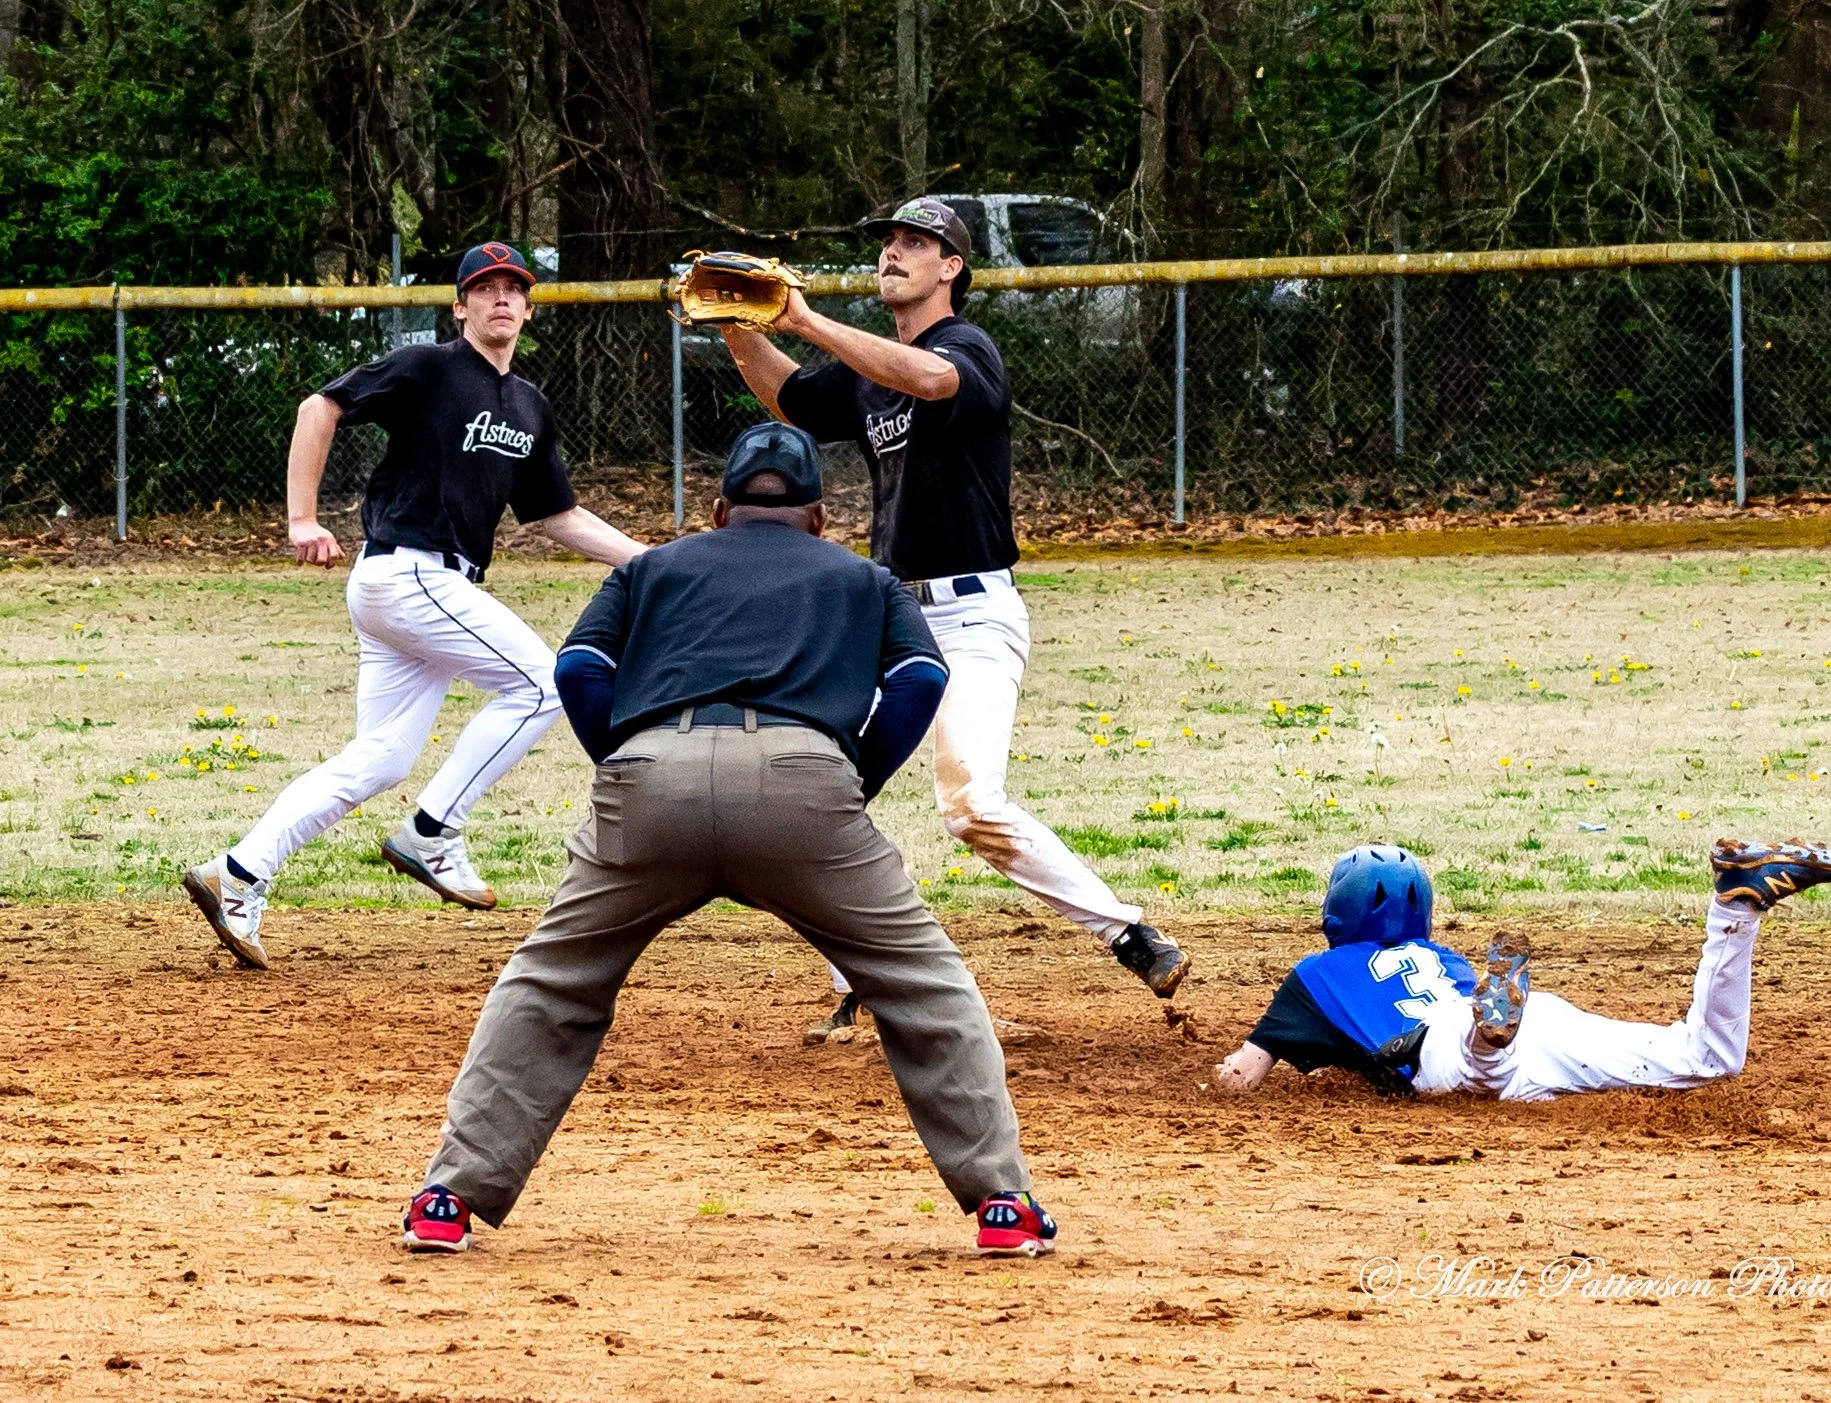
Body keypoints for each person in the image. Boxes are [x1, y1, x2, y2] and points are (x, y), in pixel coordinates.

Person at [399, 423, 1058, 1259]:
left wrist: (627, 762)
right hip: (803, 782)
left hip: (649, 778)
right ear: (817, 517)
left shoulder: (650, 567)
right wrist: (852, 778)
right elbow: (923, 676)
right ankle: (1002, 1203)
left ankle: (447, 1198)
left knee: (551, 979)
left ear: (717, 511)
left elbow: (578, 670)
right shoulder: (864, 576)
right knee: (925, 985)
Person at [717, 197, 1189, 1035]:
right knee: (815, 792)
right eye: (889, 241)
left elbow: (931, 381)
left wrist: (806, 319)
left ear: (951, 267)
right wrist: (731, 325)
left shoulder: (965, 347)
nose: (893, 252)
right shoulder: (871, 366)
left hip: (972, 615)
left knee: (970, 805)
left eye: (915, 242)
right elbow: (792, 401)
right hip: (891, 618)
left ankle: (1128, 933)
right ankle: (859, 980)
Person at [182, 243, 648, 970]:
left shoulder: (529, 405)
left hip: (418, 589)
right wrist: (302, 519)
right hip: (410, 573)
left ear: (529, 309)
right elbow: (319, 406)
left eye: (513, 287)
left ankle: (236, 873)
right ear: (459, 306)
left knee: (382, 757)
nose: (500, 297)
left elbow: (557, 515)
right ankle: (432, 832)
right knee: (540, 683)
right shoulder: (429, 367)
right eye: (484, 287)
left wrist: (653, 562)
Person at [1214, 839, 1831, 1101]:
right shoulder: (1444, 958)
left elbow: (1242, 1077)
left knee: (1476, 1072)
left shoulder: (1315, 975)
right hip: (1542, 1021)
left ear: (1337, 913)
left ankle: (1487, 1032)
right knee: (1707, 1058)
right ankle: (1734, 909)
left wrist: (1215, 1084)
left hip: (1446, 1049)